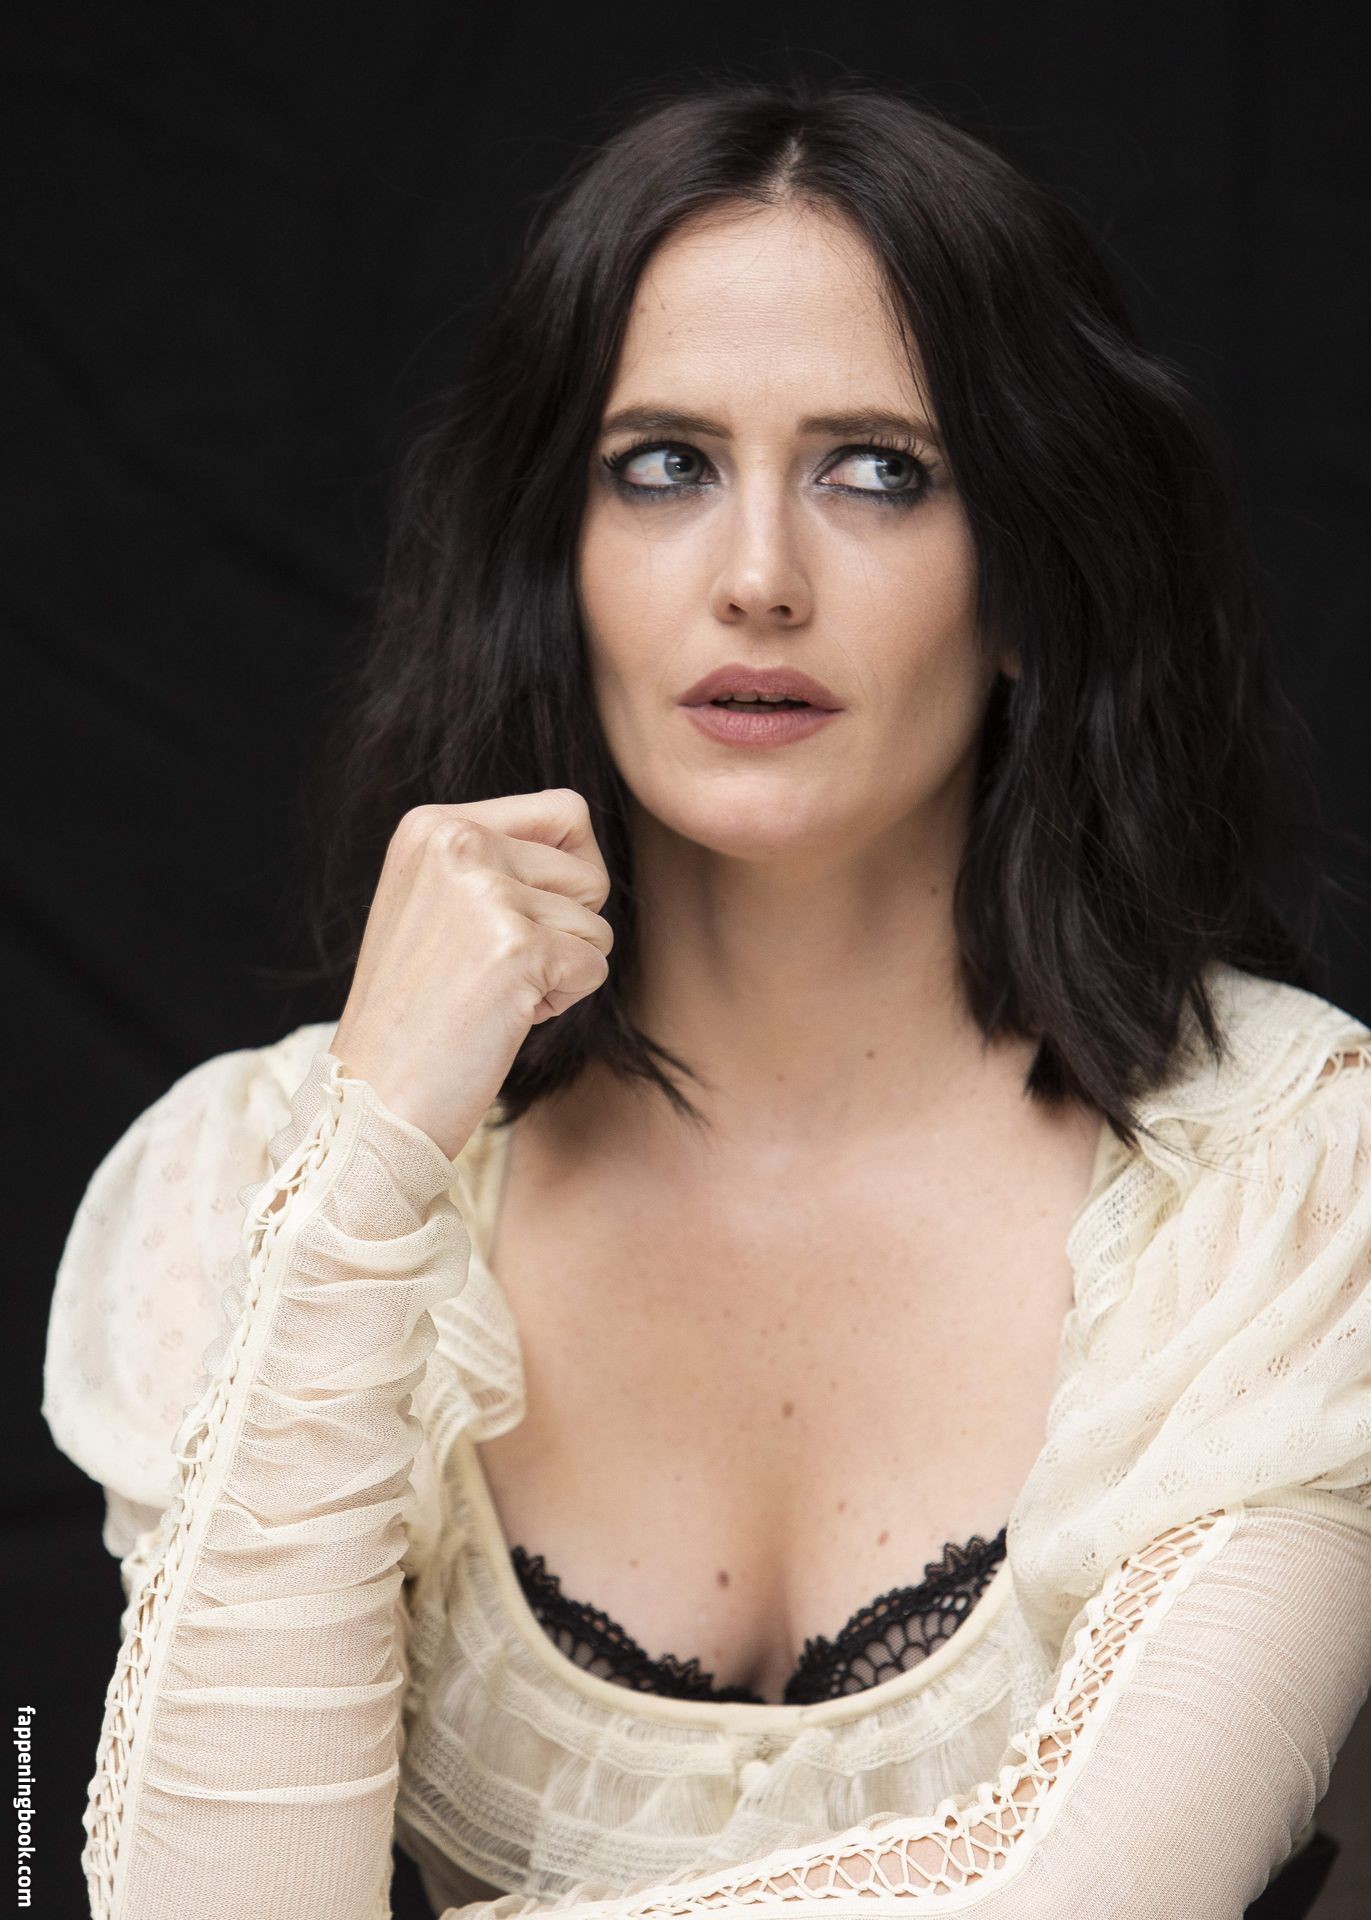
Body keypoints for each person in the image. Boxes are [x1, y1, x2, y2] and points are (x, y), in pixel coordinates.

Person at [41, 72, 1371, 1920]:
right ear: (559, 555)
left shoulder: (1292, 1187)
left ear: (1031, 574)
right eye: (661, 466)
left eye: (879, 471)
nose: (757, 579)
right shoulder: (264, 1180)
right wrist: (371, 1156)